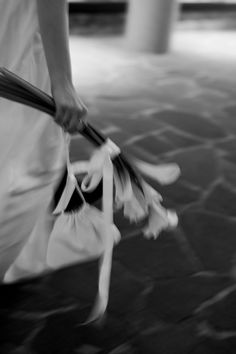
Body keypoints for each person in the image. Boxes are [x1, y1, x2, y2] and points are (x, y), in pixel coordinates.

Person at [0, 0, 87, 281]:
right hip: (13, 42)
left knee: (21, 169)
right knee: (23, 172)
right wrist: (61, 82)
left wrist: (61, 81)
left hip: (14, 43)